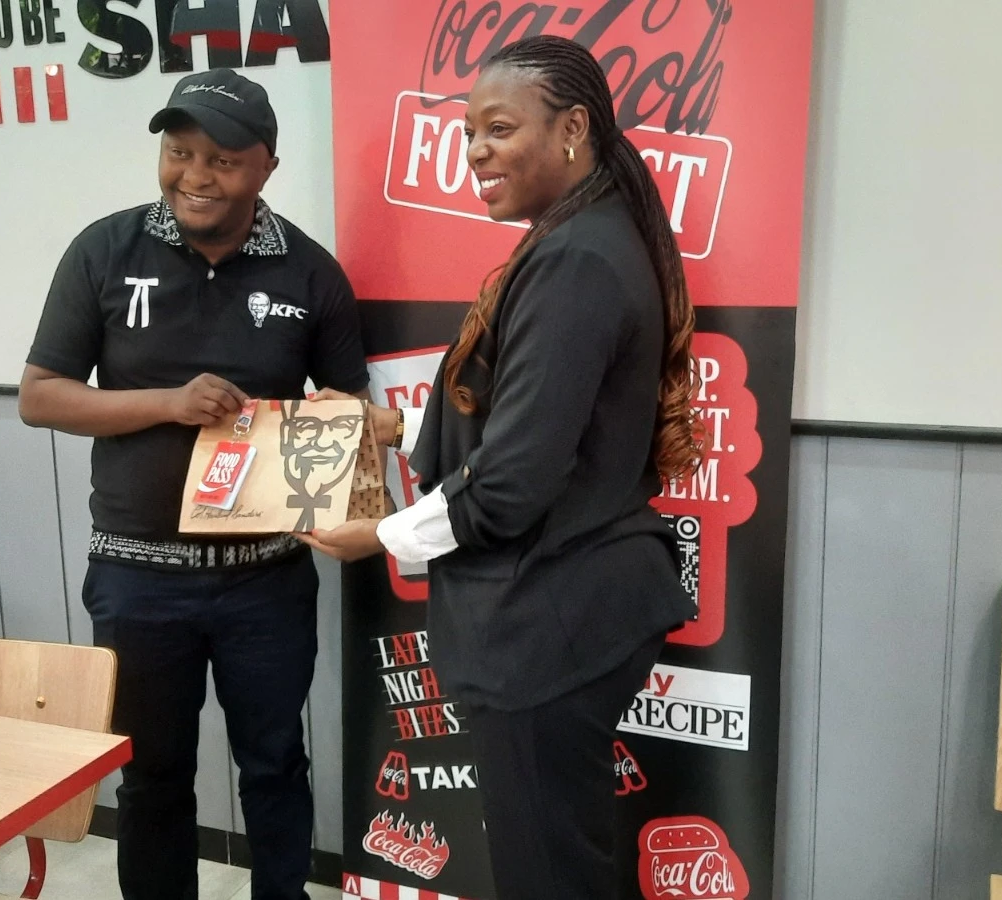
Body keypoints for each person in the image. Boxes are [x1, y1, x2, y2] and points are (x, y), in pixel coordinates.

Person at [303, 34, 701, 899]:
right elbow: (537, 427)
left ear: (572, 131)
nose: (475, 150)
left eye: (498, 128)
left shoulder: (577, 260)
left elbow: (511, 484)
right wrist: (393, 424)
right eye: (468, 132)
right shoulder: (585, 239)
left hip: (547, 626)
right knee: (558, 860)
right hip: (563, 613)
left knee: (548, 875)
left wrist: (380, 533)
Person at [18, 68, 369, 900]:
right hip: (135, 579)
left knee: (276, 765)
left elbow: (350, 403)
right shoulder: (104, 249)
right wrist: (170, 405)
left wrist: (329, 427)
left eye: (221, 160)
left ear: (267, 168)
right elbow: (40, 396)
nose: (196, 176)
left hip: (265, 579)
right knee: (152, 777)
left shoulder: (311, 274)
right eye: (179, 153)